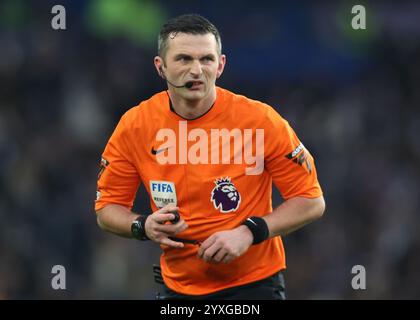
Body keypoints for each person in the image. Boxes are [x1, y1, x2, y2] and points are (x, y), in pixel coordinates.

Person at [95, 14, 325, 300]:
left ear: (221, 66)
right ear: (161, 67)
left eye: (206, 59)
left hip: (254, 286)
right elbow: (107, 209)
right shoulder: (135, 126)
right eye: (183, 59)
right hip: (177, 289)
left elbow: (311, 200)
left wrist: (250, 232)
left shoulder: (260, 121)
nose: (196, 70)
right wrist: (142, 226)